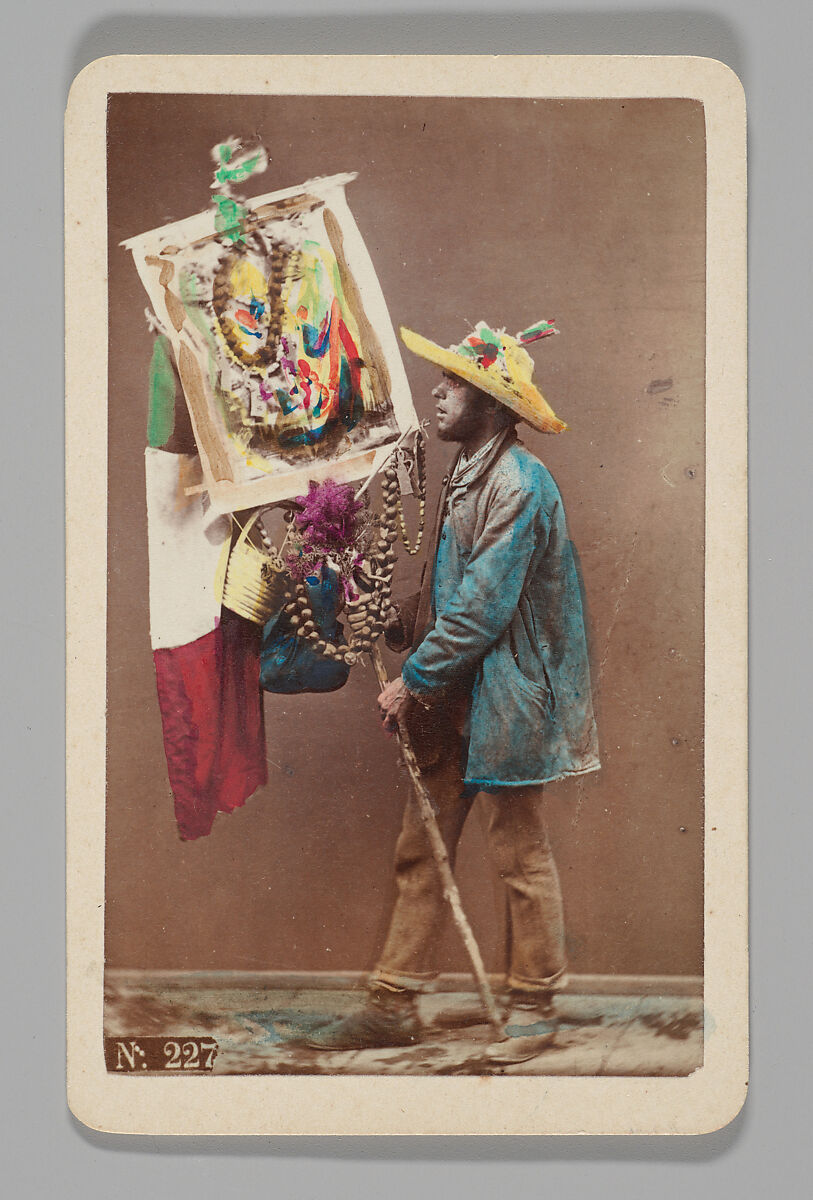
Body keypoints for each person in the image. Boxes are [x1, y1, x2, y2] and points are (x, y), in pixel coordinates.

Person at [307, 320, 600, 1050]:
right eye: (442, 381)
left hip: (507, 692)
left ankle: (532, 1003)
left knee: (517, 851)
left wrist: (413, 680)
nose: (437, 394)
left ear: (494, 408)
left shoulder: (519, 484)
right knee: (423, 843)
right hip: (457, 690)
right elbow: (453, 593)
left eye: (456, 385)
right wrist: (387, 607)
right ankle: (393, 1002)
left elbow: (483, 607)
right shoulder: (469, 469)